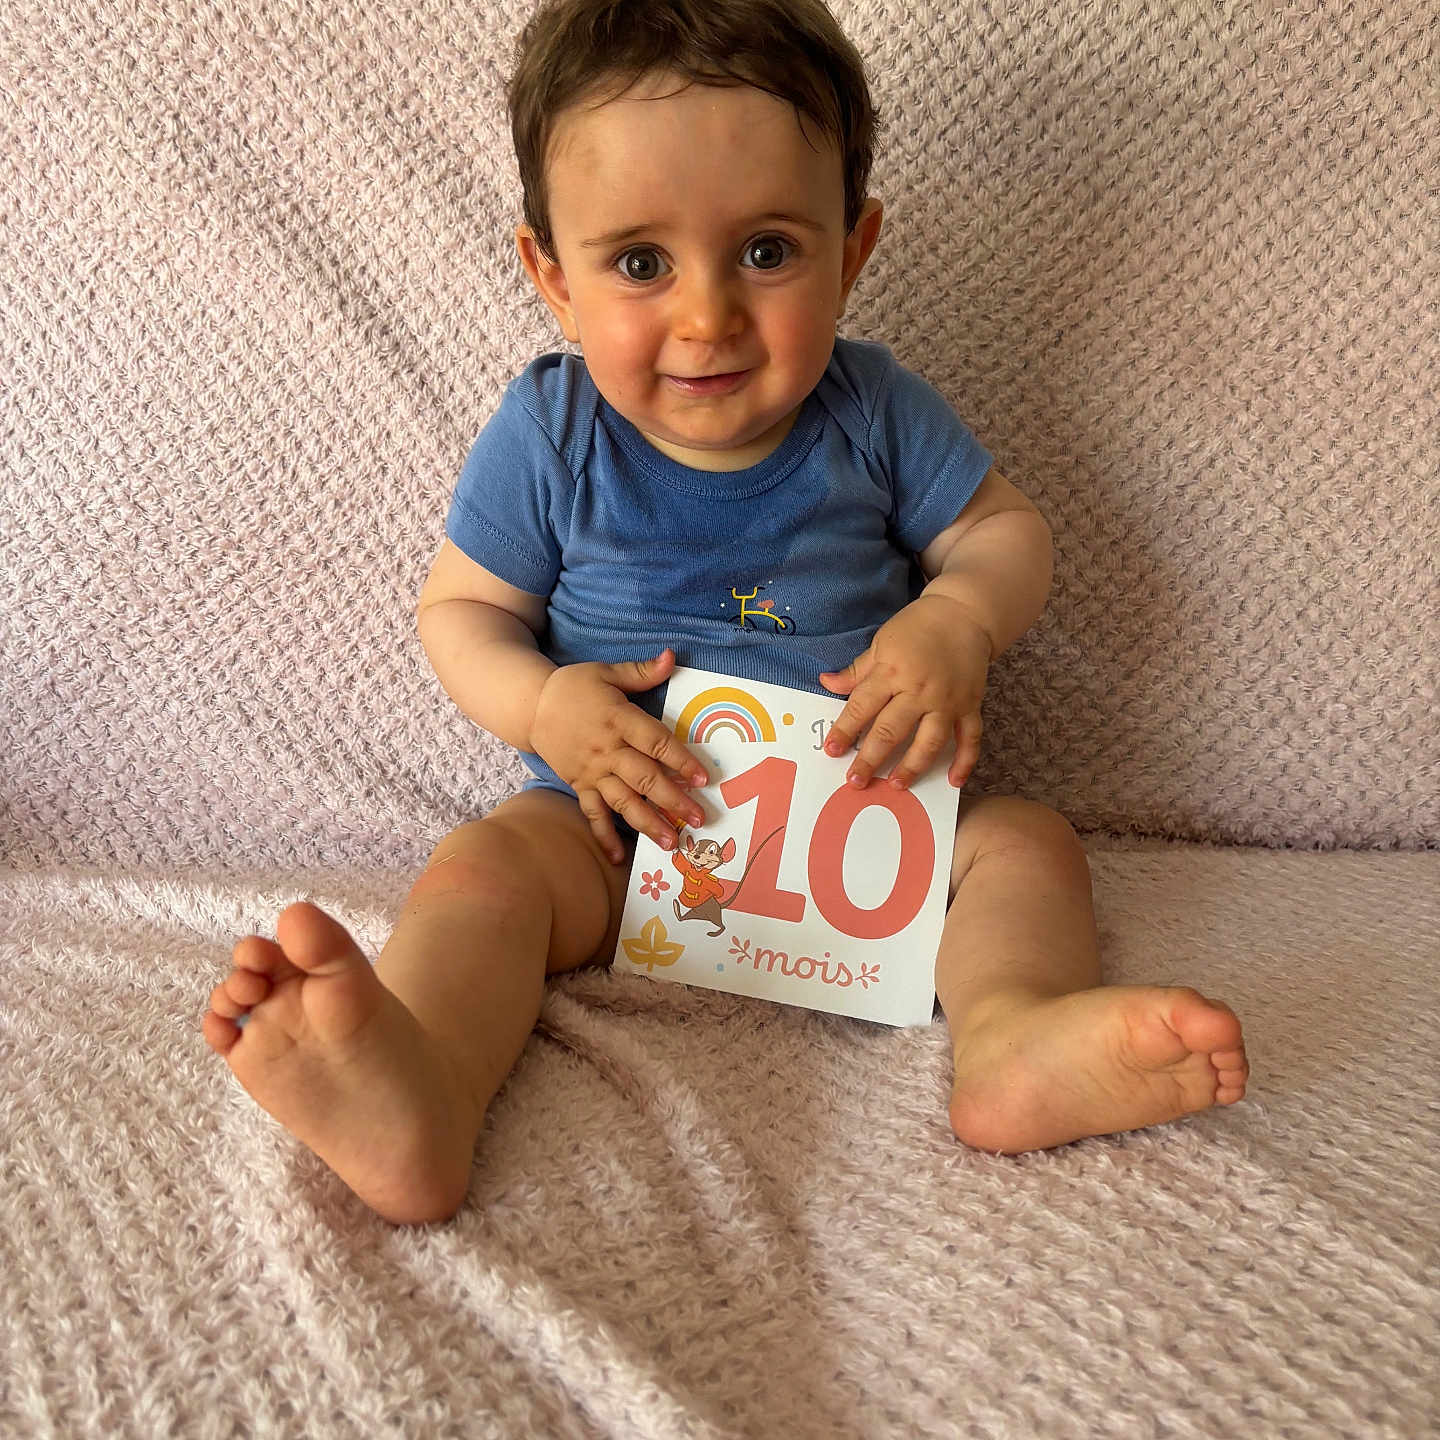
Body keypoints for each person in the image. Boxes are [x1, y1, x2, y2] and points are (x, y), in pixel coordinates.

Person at [203, 0, 1248, 1224]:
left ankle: (1012, 1039)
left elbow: (1008, 536)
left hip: (873, 832)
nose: (707, 316)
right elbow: (460, 615)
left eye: (765, 252)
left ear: (852, 251)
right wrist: (548, 703)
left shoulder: (875, 411)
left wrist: (957, 619)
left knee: (1026, 849)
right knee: (484, 869)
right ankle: (420, 1083)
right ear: (552, 274)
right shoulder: (551, 435)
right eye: (641, 264)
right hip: (622, 833)